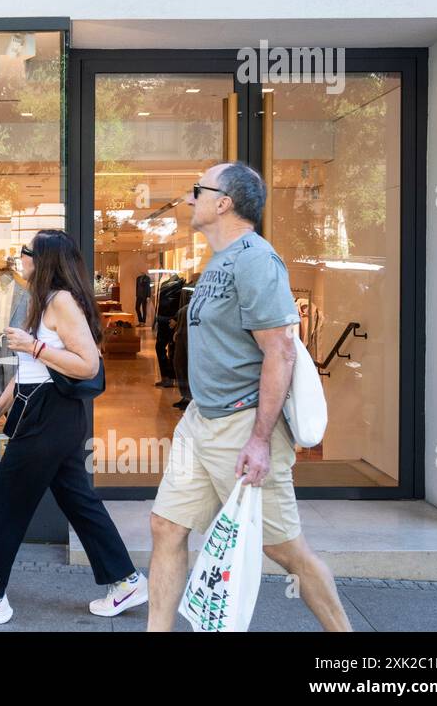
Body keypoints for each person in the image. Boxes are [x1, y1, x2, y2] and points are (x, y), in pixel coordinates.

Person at [146, 162, 351, 632]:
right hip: (201, 421)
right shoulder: (218, 259)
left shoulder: (257, 260)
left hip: (242, 424)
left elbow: (279, 351)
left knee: (284, 549)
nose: (190, 196)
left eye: (199, 189)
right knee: (166, 526)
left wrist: (260, 440)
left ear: (224, 203)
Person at [0, 229, 144, 626]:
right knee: (77, 500)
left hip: (51, 414)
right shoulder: (44, 301)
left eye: (26, 251)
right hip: (46, 410)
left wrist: (34, 347)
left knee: (6, 499)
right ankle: (126, 581)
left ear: (43, 260)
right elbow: (29, 373)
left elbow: (89, 365)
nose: (20, 257)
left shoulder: (62, 301)